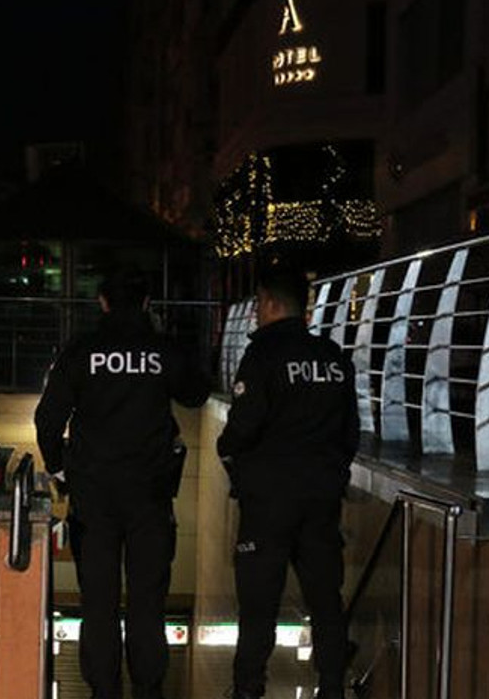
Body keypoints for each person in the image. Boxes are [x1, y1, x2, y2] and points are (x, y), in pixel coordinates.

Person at [35, 268, 209, 699]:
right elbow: (196, 393)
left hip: (93, 497)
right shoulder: (161, 350)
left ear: (103, 303)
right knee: (148, 598)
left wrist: (60, 470)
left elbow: (48, 419)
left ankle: (103, 689)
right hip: (150, 496)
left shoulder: (82, 351)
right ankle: (148, 687)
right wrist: (169, 343)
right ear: (147, 304)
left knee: (98, 601)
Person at [216, 264, 359, 699]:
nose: (256, 312)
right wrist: (331, 474)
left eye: (258, 303)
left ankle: (248, 688)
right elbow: (349, 432)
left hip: (268, 500)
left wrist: (229, 452)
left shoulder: (263, 356)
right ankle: (332, 683)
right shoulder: (333, 358)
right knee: (325, 596)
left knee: (259, 602)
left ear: (272, 303)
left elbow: (243, 427)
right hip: (321, 498)